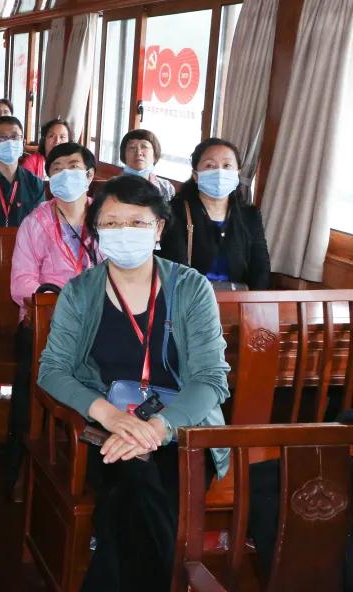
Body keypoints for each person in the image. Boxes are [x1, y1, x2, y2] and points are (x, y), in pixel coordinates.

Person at [37, 174, 230, 590]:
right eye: (111, 223)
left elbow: (210, 379)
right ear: (96, 232)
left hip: (183, 431)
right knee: (136, 488)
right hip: (109, 430)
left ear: (158, 228)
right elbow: (52, 369)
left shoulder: (191, 288)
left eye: (137, 222)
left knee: (132, 501)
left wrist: (157, 428)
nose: (124, 231)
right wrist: (110, 416)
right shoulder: (80, 291)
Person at [5, 142, 103, 494]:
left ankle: (99, 467)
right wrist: (64, 308)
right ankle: (18, 465)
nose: (65, 174)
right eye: (57, 168)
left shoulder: (107, 218)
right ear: (49, 178)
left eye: (73, 167)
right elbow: (21, 284)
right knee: (26, 388)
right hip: (45, 323)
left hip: (100, 324)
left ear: (89, 176)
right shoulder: (36, 222)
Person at [158, 138, 270, 290]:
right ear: (195, 175)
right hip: (193, 297)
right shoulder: (176, 211)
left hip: (239, 298)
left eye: (227, 165)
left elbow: (261, 268)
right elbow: (176, 267)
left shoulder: (250, 215)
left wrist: (253, 301)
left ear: (237, 173)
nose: (219, 172)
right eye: (210, 165)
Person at [119, 129, 176, 201]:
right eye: (132, 147)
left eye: (144, 147)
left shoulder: (166, 188)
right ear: (124, 155)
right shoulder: (113, 187)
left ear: (155, 154)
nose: (138, 153)